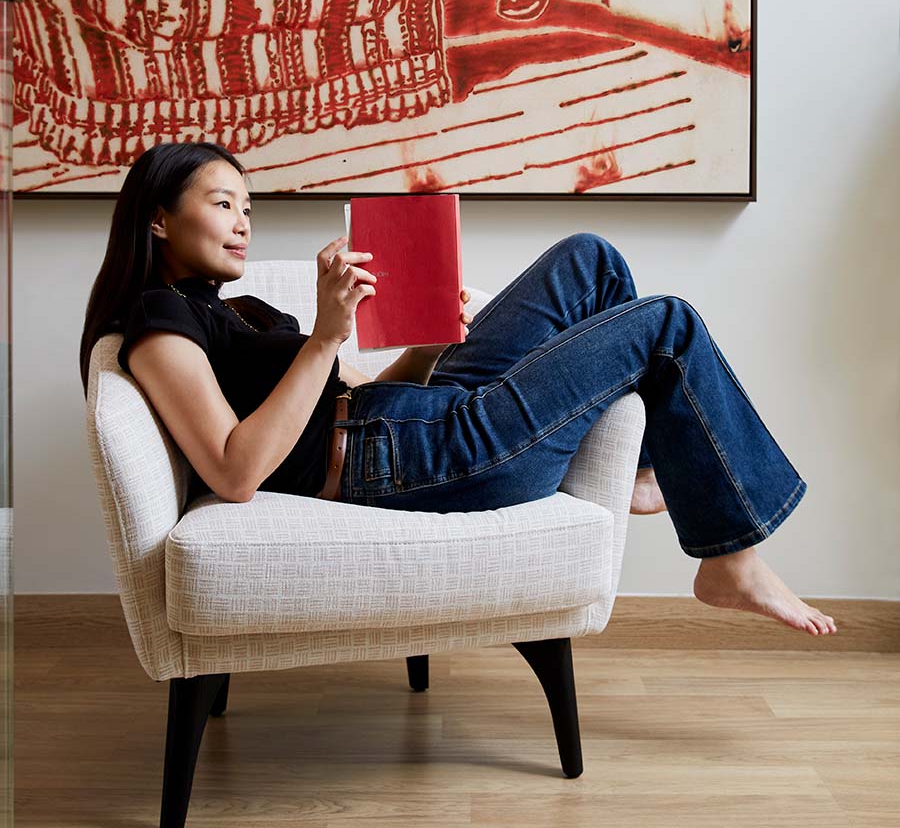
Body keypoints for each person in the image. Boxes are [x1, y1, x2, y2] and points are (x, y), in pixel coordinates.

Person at [79, 142, 837, 638]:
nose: (243, 224)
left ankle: (649, 472)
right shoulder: (156, 321)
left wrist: (428, 345)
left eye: (248, 208)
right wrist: (324, 336)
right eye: (221, 204)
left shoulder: (232, 308)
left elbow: (351, 392)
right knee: (666, 322)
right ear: (157, 218)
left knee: (590, 260)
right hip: (409, 458)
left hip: (406, 418)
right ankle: (728, 556)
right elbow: (234, 471)